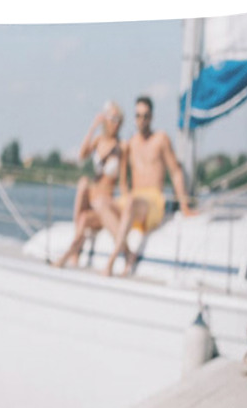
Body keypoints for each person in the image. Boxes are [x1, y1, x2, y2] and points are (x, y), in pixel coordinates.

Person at [103, 96, 197, 277]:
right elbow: (123, 180)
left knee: (130, 202)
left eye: (145, 116)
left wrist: (184, 205)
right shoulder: (130, 144)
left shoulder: (160, 139)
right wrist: (124, 195)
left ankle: (112, 260)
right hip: (134, 201)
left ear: (152, 117)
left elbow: (176, 172)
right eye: (138, 116)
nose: (142, 120)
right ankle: (128, 252)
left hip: (153, 202)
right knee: (101, 203)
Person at [54, 102, 128, 268]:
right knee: (83, 183)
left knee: (84, 217)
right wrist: (94, 126)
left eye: (119, 119)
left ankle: (70, 254)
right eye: (112, 118)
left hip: (104, 201)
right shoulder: (99, 141)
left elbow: (122, 181)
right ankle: (74, 250)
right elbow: (81, 155)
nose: (115, 123)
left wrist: (125, 203)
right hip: (91, 196)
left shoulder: (121, 147)